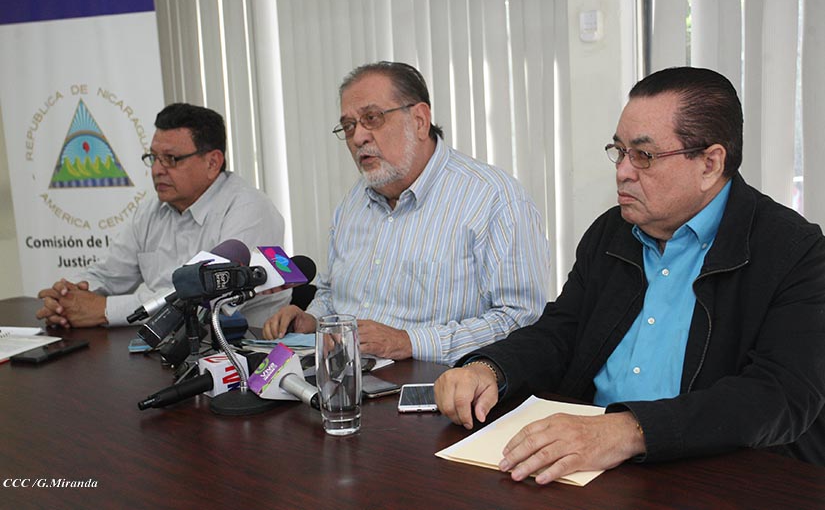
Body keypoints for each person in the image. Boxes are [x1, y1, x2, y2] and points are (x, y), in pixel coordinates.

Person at [435, 66, 825, 483]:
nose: (622, 171)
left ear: (710, 164)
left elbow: (779, 396)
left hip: (716, 476)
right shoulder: (612, 232)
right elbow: (562, 331)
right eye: (619, 151)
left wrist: (630, 430)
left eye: (644, 156)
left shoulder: (794, 252)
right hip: (591, 465)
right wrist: (489, 368)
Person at [263, 61, 550, 365]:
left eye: (371, 118)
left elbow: (520, 319)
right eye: (348, 126)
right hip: (345, 377)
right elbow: (332, 293)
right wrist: (312, 320)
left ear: (419, 120)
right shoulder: (352, 203)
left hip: (436, 383)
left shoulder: (493, 198)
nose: (358, 137)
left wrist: (409, 341)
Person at [36, 103, 289, 328]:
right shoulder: (150, 211)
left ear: (212, 163)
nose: (157, 170)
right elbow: (108, 274)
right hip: (164, 344)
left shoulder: (249, 210)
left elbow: (209, 302)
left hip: (242, 349)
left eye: (171, 159)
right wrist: (68, 297)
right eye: (154, 158)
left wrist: (104, 310)